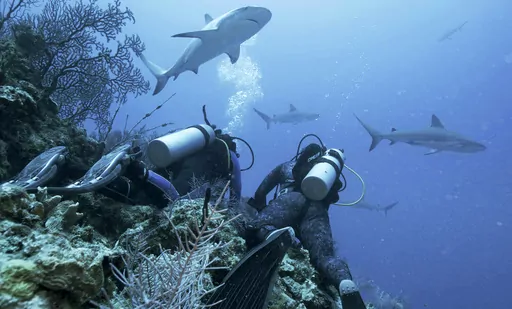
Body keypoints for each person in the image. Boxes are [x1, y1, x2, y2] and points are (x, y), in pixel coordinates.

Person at [2, 107, 250, 208]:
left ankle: (66, 163)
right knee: (165, 202)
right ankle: (133, 168)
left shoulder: (198, 144)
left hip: (167, 166)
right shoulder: (230, 158)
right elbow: (235, 196)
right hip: (174, 182)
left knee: (132, 188)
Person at [245, 141, 367, 309]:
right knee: (325, 258)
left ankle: (271, 235)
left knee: (256, 228)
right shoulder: (326, 178)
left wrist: (260, 210)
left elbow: (261, 192)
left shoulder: (287, 166)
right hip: (316, 212)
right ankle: (344, 282)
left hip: (290, 200)